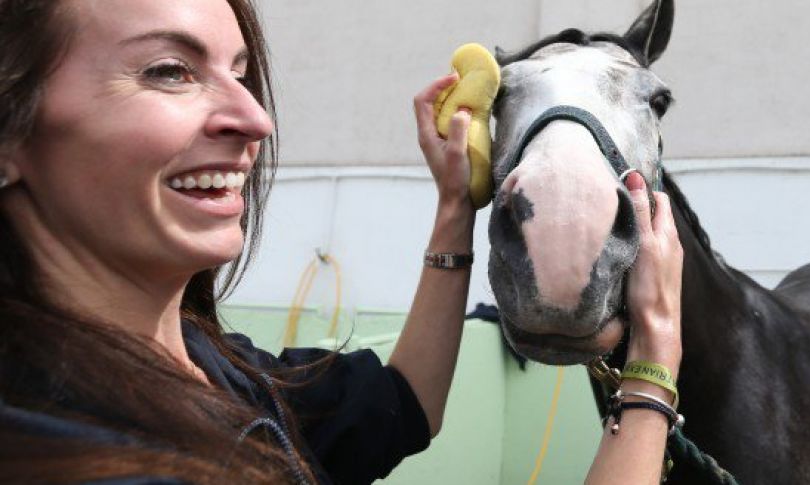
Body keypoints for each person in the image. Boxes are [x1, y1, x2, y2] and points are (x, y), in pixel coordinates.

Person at [0, 0, 683, 484]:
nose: (255, 117)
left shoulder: (219, 367)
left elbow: (401, 404)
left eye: (240, 72)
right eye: (169, 70)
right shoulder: (65, 449)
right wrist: (652, 366)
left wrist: (456, 204)